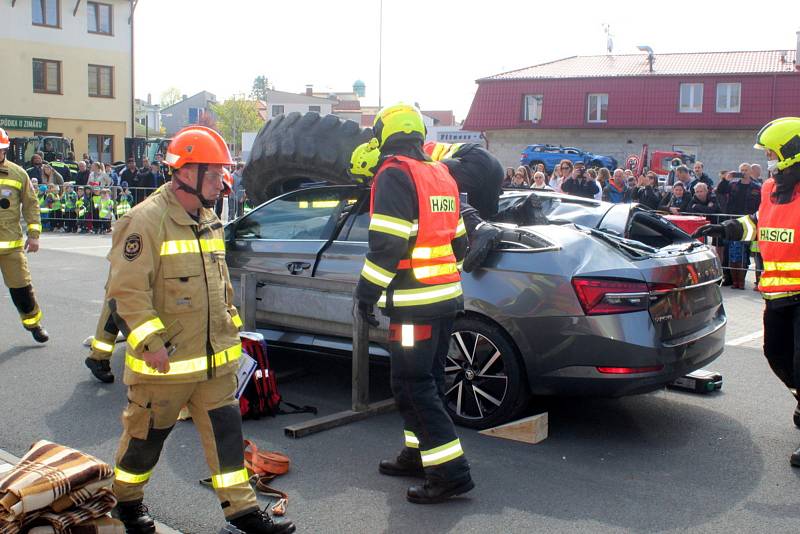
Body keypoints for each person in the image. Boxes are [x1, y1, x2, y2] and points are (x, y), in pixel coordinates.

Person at [105, 126, 294, 534]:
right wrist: (150, 344)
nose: (223, 182)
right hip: (166, 366)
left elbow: (217, 290)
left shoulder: (208, 221)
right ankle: (126, 504)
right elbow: (125, 293)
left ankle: (242, 513)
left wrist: (232, 336)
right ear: (186, 173)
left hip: (215, 364)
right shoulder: (146, 221)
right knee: (144, 441)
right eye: (214, 174)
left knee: (227, 439)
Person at [354, 104, 473, 504]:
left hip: (412, 303)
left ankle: (449, 473)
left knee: (411, 384)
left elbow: (386, 246)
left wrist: (365, 293)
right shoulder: (440, 173)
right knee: (430, 381)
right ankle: (419, 454)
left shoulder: (393, 174)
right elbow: (460, 242)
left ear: (384, 135)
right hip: (444, 299)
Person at [695, 117, 800, 466]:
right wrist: (726, 228)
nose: (768, 159)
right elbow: (758, 221)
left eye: (771, 153)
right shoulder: (771, 187)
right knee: (776, 355)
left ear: (791, 151)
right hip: (776, 293)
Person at [0, 128, 49, 343]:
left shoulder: (19, 173)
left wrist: (34, 234)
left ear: (6, 150)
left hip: (10, 247)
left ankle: (33, 324)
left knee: (22, 290)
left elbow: (31, 204)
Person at [716, 163, 762, 289]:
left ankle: (741, 281)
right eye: (741, 170)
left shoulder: (757, 187)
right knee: (729, 251)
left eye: (746, 170)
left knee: (744, 252)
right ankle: (729, 279)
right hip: (733, 221)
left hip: (748, 222)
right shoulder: (732, 184)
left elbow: (761, 204)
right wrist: (725, 180)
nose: (743, 172)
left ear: (751, 171)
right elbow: (719, 191)